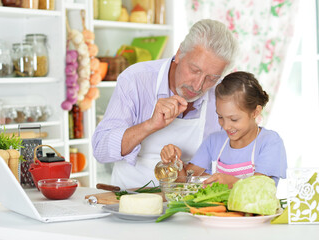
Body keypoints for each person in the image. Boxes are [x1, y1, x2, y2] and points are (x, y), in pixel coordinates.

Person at [92, 19, 238, 189]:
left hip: (190, 206)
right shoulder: (136, 80)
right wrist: (149, 125)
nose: (198, 86)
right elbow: (100, 149)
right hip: (129, 202)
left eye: (211, 78)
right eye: (194, 70)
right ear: (179, 53)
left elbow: (230, 165)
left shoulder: (221, 96)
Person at [160, 71, 287, 188]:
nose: (225, 126)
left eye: (234, 119)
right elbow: (186, 182)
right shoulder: (214, 141)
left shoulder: (270, 142)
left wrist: (230, 182)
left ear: (255, 112)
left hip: (253, 213)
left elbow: (261, 189)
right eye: (220, 117)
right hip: (213, 212)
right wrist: (175, 161)